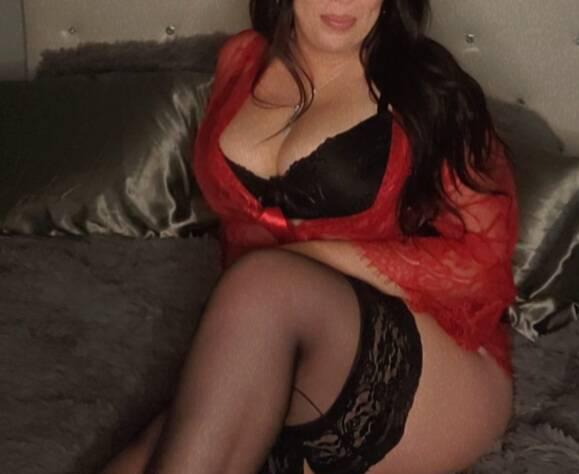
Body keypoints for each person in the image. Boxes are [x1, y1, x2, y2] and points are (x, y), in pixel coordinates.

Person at [101, 0, 519, 473]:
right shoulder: (241, 60)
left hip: (433, 370)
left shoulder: (428, 88)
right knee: (144, 458)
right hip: (276, 332)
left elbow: (482, 264)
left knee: (263, 285)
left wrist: (312, 256)